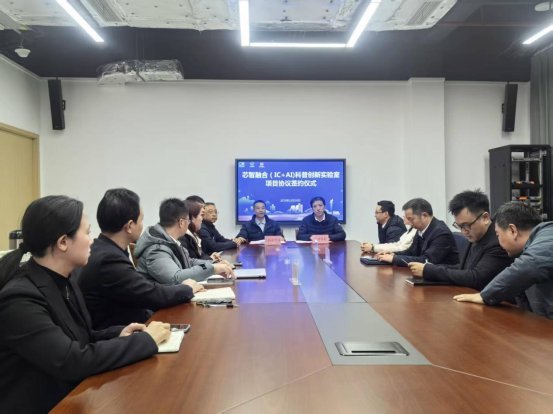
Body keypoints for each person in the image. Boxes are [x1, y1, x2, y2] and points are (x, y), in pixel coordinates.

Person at [0, 196, 170, 413]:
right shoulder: (19, 299)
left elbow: (82, 337)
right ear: (63, 242)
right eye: (87, 233)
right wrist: (145, 341)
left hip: (72, 397)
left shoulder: (67, 279)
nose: (92, 241)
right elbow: (71, 360)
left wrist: (119, 333)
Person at [78, 189, 202, 330]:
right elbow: (150, 294)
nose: (143, 225)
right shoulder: (108, 259)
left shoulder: (106, 249)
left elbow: (143, 287)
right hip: (122, 334)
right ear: (130, 226)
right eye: (141, 220)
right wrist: (186, 288)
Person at [454, 202, 553, 319]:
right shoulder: (527, 249)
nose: (498, 241)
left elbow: (529, 266)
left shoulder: (548, 237)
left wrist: (485, 296)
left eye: (498, 234)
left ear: (512, 230)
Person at [408, 190, 512, 290]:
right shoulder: (475, 234)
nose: (463, 231)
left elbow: (476, 277)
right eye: (459, 226)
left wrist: (429, 270)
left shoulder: (499, 240)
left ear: (485, 218)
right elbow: (463, 268)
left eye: (466, 225)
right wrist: (428, 268)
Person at [135, 198, 233, 284]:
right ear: (181, 222)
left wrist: (213, 264)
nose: (189, 224)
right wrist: (212, 269)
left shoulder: (171, 240)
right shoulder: (156, 248)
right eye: (188, 220)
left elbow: (188, 262)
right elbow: (175, 278)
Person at [377, 198, 458, 266]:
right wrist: (394, 254)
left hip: (441, 278)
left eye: (411, 219)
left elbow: (427, 260)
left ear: (424, 215)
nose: (408, 222)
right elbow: (411, 251)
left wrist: (394, 259)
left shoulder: (441, 233)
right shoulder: (420, 229)